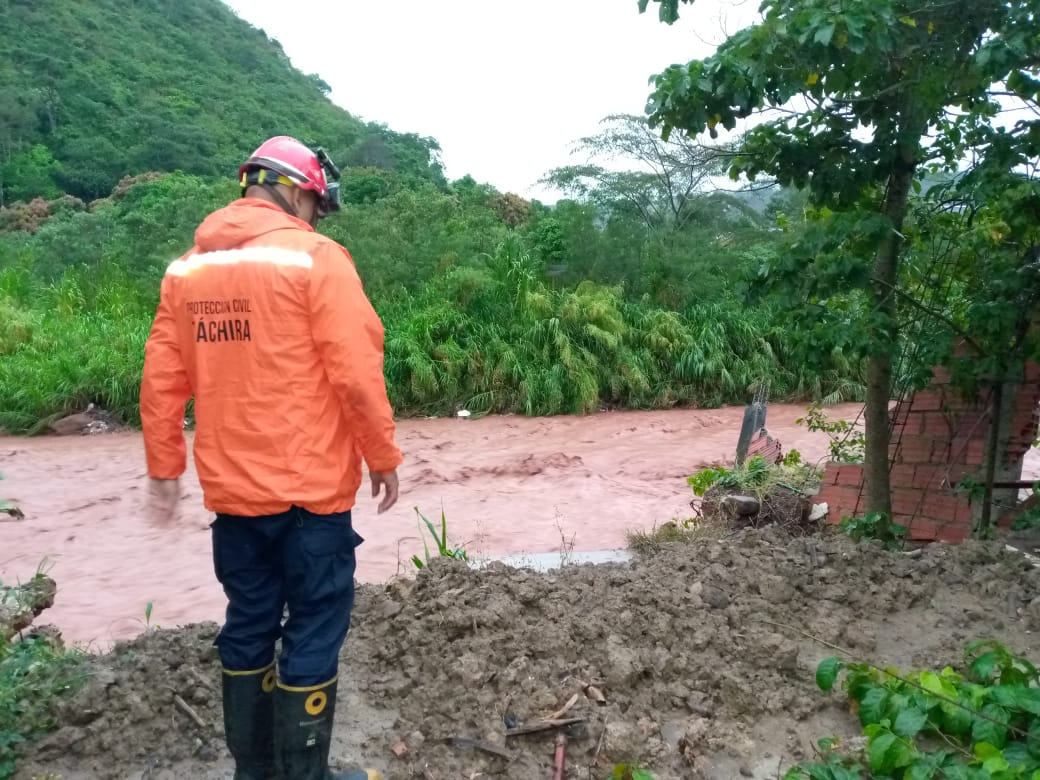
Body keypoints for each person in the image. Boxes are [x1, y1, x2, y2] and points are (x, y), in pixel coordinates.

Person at [140, 135, 402, 780]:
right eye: (314, 202)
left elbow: (162, 378)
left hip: (233, 496)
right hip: (311, 493)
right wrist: (382, 454)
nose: (314, 215)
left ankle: (253, 774)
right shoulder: (316, 258)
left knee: (248, 622)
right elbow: (356, 371)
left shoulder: (186, 270)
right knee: (314, 628)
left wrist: (165, 466)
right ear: (294, 189)